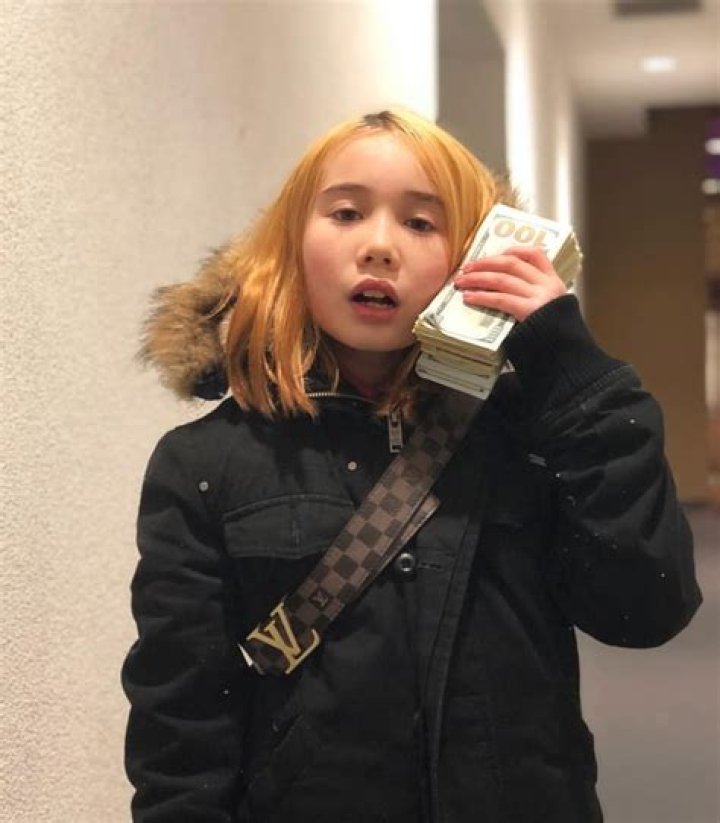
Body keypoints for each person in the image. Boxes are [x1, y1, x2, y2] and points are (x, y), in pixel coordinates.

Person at [121, 109, 701, 823]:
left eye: (422, 223)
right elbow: (180, 723)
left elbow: (644, 608)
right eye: (345, 213)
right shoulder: (207, 462)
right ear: (289, 244)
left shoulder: (532, 434)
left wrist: (573, 375)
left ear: (475, 255)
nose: (379, 246)